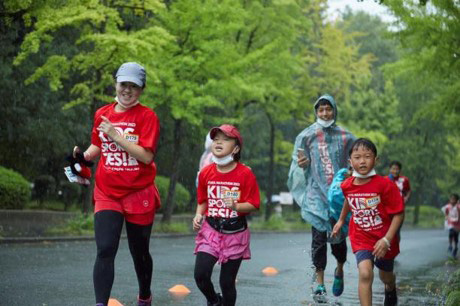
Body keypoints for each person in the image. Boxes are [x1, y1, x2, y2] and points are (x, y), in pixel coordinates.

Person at [73, 62, 160, 306]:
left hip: (138, 192)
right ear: (116, 83)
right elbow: (97, 145)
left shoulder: (147, 117)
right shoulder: (102, 113)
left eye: (134, 86)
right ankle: (100, 303)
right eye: (124, 84)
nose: (127, 90)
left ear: (141, 89)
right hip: (107, 192)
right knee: (105, 248)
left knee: (139, 253)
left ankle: (144, 294)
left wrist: (116, 136)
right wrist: (84, 157)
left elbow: (146, 156)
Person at [287, 94, 355, 300]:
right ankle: (319, 283)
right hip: (316, 194)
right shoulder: (306, 136)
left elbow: (357, 160)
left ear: (334, 110)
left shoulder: (347, 137)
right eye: (321, 109)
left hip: (338, 197)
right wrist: (303, 164)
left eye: (328, 109)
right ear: (316, 112)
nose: (325, 113)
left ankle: (340, 268)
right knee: (318, 240)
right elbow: (298, 163)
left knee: (338, 240)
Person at [193, 124, 260, 306]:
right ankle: (214, 301)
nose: (219, 142)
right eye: (216, 139)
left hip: (235, 233)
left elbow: (254, 204)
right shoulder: (206, 172)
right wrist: (199, 215)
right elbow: (202, 200)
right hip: (211, 231)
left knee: (226, 282)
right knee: (200, 274)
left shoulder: (245, 174)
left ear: (236, 148)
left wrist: (236, 205)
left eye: (225, 139)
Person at [332, 138, 404, 306]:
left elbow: (399, 214)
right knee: (365, 274)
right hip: (361, 236)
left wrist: (386, 240)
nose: (362, 161)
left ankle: (391, 287)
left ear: (376, 160)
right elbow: (349, 200)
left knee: (385, 276)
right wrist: (341, 220)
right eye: (357, 157)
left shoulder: (385, 185)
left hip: (385, 237)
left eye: (367, 156)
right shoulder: (347, 185)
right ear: (350, 161)